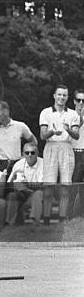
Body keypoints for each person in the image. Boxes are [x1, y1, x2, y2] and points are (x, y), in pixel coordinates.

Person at [39, 84, 79, 224]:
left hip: (66, 148)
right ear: (54, 96)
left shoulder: (73, 114)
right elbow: (43, 135)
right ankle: (46, 218)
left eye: (64, 95)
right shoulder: (46, 112)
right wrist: (52, 132)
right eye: (59, 94)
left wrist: (68, 130)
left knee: (65, 185)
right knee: (48, 185)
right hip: (51, 147)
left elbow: (77, 135)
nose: (62, 97)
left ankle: (63, 217)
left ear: (68, 97)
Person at [0, 101, 37, 174]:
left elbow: (34, 142)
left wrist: (25, 156)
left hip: (17, 164)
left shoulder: (20, 126)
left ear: (6, 112)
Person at [6, 144, 44, 226]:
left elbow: (42, 184)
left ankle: (36, 222)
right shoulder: (18, 164)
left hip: (35, 192)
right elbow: (10, 183)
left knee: (38, 194)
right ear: (23, 154)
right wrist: (18, 184)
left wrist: (25, 186)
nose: (30, 155)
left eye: (32, 153)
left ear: (37, 153)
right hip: (21, 193)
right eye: (27, 153)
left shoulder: (43, 164)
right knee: (12, 195)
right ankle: (9, 223)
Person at [69, 89, 84, 218]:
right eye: (78, 100)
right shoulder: (69, 115)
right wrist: (80, 117)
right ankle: (70, 214)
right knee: (74, 184)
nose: (81, 103)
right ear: (74, 101)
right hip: (74, 153)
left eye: (83, 100)